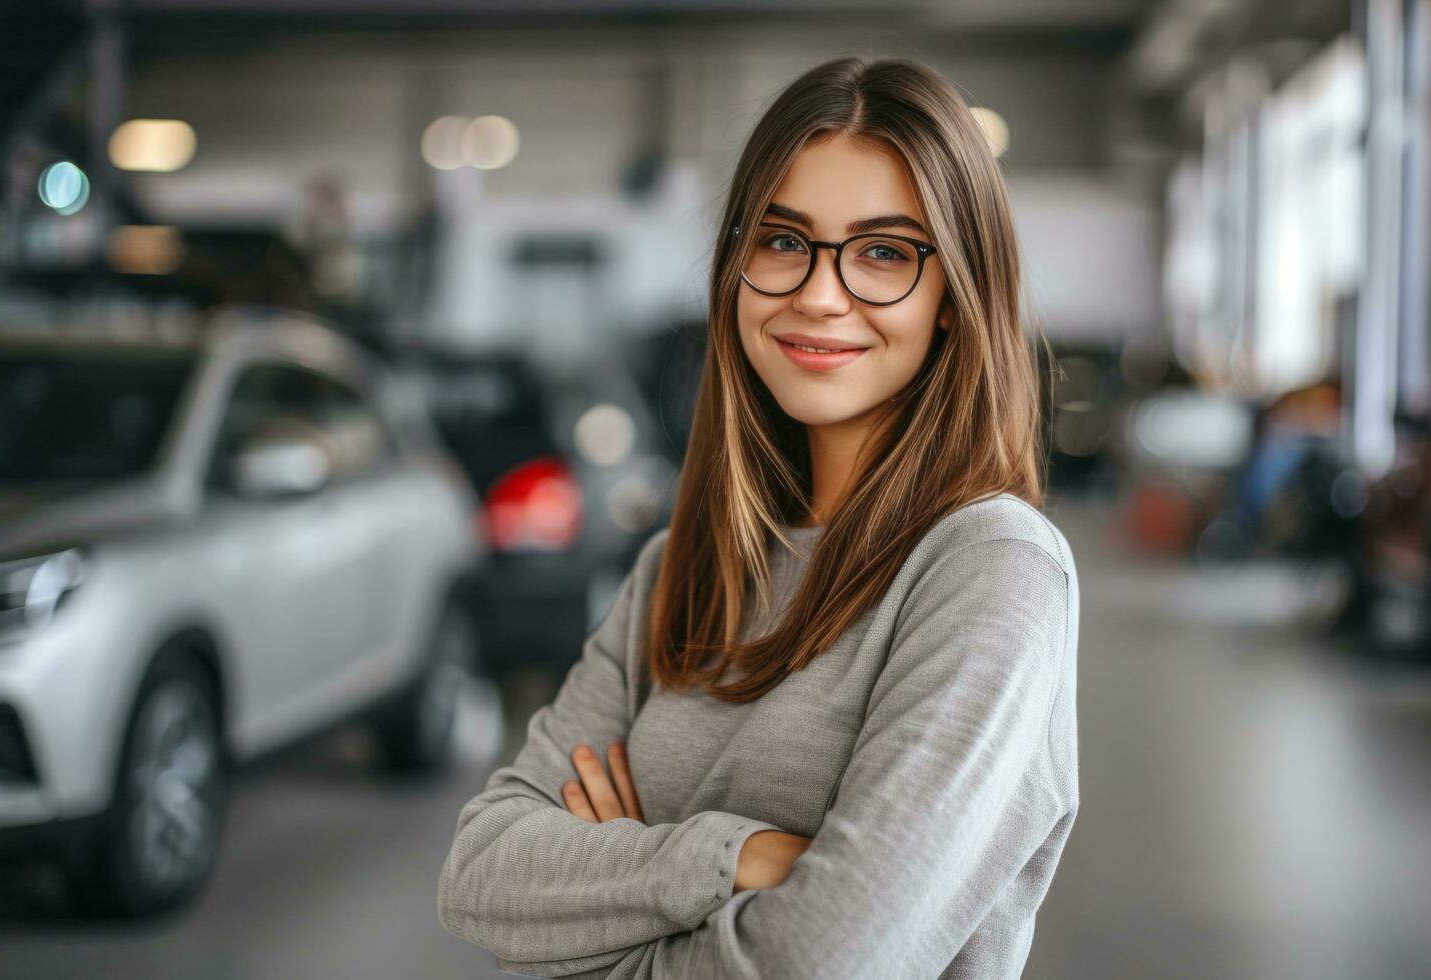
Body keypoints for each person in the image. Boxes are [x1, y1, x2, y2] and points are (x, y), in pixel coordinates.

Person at [438, 55, 1081, 980]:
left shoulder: (990, 568)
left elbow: (819, 964)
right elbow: (482, 871)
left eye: (885, 252)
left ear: (955, 300)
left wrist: (594, 910)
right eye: (783, 240)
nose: (819, 293)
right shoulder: (679, 568)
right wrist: (731, 857)